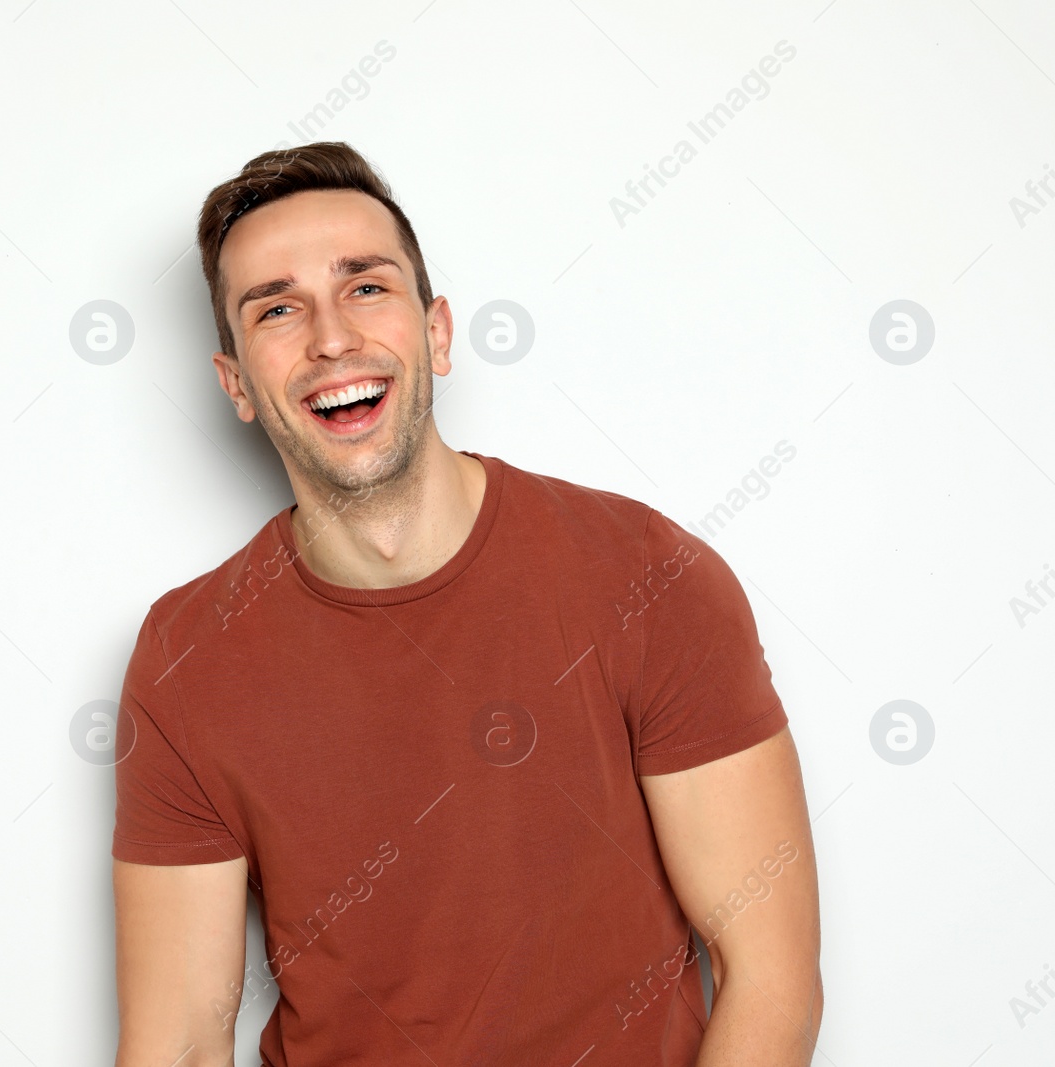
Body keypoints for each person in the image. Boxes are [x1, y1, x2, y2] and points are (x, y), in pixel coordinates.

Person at [111, 141, 822, 1067]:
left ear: (437, 332)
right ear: (237, 383)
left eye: (365, 287)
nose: (332, 338)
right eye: (278, 309)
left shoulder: (648, 576)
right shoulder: (186, 656)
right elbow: (178, 1041)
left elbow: (770, 978)